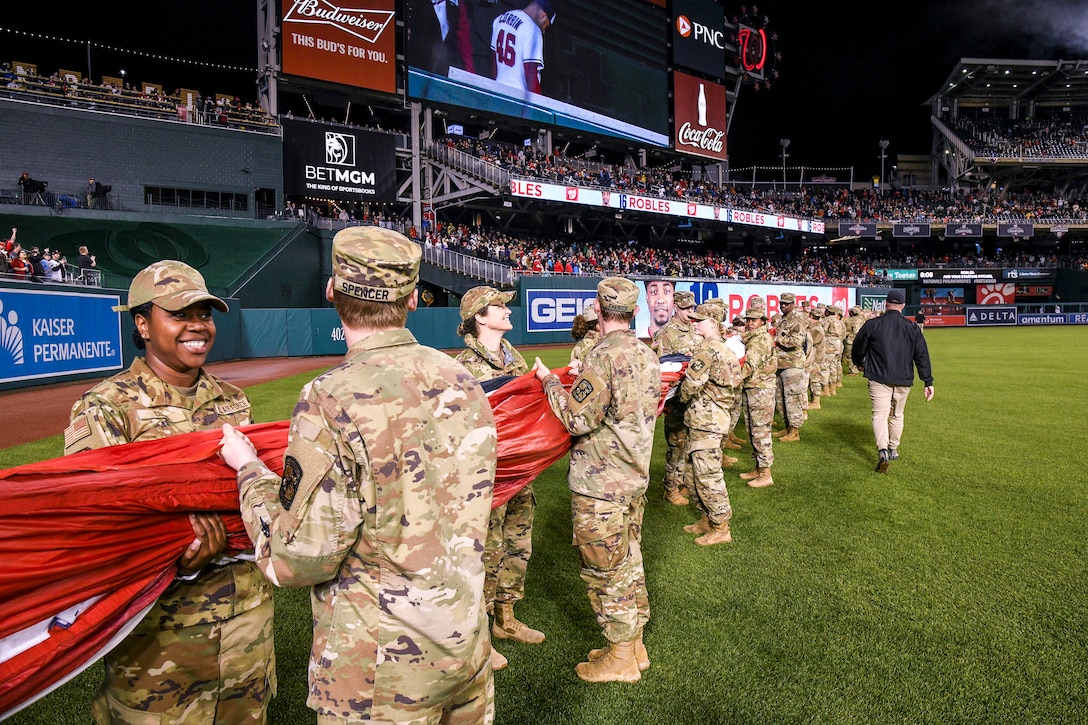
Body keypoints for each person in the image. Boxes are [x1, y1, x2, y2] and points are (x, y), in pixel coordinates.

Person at [220, 227, 496, 723]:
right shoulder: (463, 378)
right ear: (414, 298)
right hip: (466, 647)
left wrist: (249, 473)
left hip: (382, 671)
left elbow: (298, 560)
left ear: (332, 290)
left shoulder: (330, 396)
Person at [63, 260, 276, 724]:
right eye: (180, 314)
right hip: (161, 645)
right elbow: (93, 525)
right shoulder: (106, 408)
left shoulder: (233, 400)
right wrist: (174, 550)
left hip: (246, 631)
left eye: (205, 312)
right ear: (142, 323)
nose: (198, 325)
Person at [531, 277, 659, 683]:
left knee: (606, 571)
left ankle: (622, 657)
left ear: (598, 311)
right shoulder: (647, 354)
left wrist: (549, 382)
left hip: (601, 485)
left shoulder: (602, 358)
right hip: (633, 478)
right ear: (635, 313)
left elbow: (575, 418)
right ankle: (633, 645)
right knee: (629, 561)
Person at [454, 284, 543, 673]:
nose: (508, 310)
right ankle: (481, 636)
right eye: (499, 306)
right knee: (485, 553)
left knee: (517, 546)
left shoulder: (515, 358)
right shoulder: (462, 367)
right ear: (479, 317)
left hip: (520, 473)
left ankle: (506, 617)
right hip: (485, 479)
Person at [678, 302, 743, 546]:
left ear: (713, 324)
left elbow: (693, 383)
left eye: (699, 320)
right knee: (692, 471)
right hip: (709, 418)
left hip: (707, 419)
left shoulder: (708, 350)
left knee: (707, 475)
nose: (694, 324)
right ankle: (707, 517)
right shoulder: (724, 349)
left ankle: (721, 526)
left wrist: (679, 399)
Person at [851, 288, 934, 473]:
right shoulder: (912, 327)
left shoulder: (873, 324)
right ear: (903, 306)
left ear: (886, 304)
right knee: (897, 415)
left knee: (879, 415)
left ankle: (882, 450)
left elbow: (857, 346)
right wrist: (927, 381)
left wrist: (859, 363)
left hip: (878, 377)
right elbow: (922, 355)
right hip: (904, 379)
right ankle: (893, 449)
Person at [651, 289, 701, 505]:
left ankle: (681, 482)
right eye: (686, 308)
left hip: (693, 396)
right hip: (676, 399)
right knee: (677, 443)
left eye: (692, 308)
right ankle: (670, 487)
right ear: (676, 308)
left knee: (689, 443)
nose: (690, 312)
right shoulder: (666, 334)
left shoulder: (695, 330)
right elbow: (660, 370)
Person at [738, 307, 778, 488]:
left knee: (760, 431)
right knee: (753, 429)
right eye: (748, 320)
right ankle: (758, 467)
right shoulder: (754, 338)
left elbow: (748, 366)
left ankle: (765, 473)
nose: (749, 323)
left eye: (753, 320)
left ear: (762, 321)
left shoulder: (759, 340)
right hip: (754, 388)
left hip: (760, 390)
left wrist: (730, 378)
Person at [491, 0, 556, 94]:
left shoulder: (500, 19)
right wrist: (536, 104)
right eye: (545, 25)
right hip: (518, 96)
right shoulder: (533, 30)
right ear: (543, 16)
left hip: (498, 89)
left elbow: (495, 64)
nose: (543, 30)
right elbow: (530, 73)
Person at [772, 292, 807, 442]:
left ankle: (795, 431)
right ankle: (787, 427)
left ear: (793, 304)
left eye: (786, 303)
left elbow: (797, 341)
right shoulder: (783, 319)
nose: (783, 306)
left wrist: (777, 339)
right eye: (781, 303)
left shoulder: (797, 319)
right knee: (781, 399)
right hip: (780, 363)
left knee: (792, 398)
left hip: (793, 364)